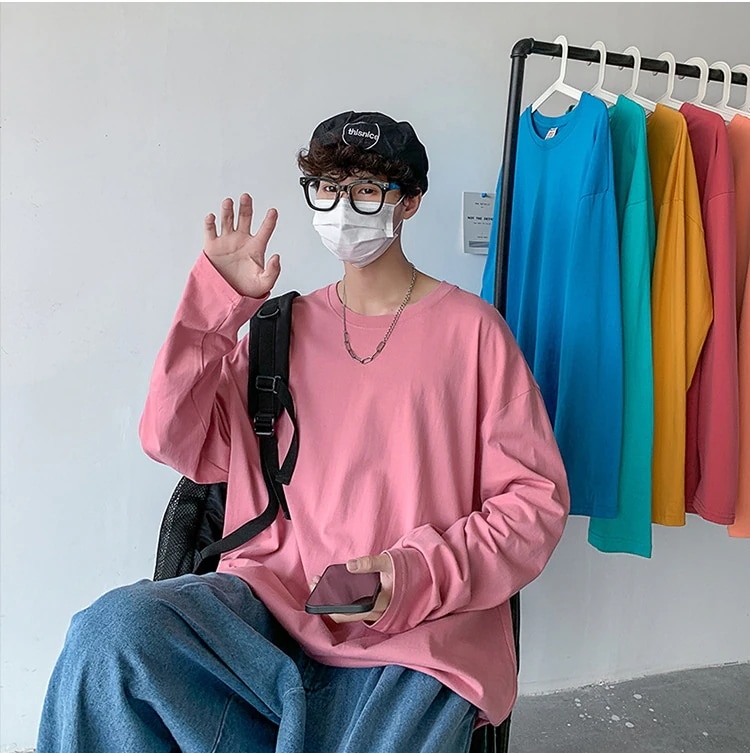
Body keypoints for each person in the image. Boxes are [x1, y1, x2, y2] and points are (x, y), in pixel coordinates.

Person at [37, 111, 570, 753]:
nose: (344, 208)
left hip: (418, 634)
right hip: (269, 606)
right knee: (109, 637)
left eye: (366, 189)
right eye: (328, 187)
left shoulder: (475, 334)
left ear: (409, 202)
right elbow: (170, 438)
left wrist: (412, 575)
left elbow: (534, 506)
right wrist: (215, 308)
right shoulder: (276, 333)